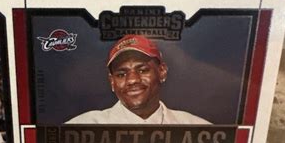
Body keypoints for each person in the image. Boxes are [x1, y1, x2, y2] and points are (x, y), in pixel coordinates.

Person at [66, 34, 210, 124]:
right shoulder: (81, 128)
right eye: (121, 74)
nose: (132, 80)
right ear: (112, 82)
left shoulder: (196, 128)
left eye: (142, 70)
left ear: (162, 72)